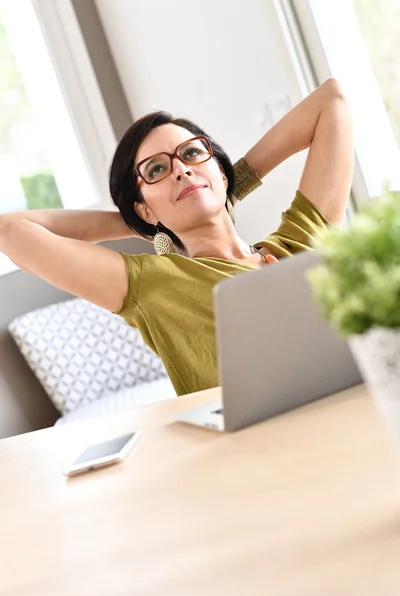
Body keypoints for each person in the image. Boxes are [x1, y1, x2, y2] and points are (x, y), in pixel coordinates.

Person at [0, 78, 353, 396]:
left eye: (192, 153)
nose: (182, 169)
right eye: (156, 169)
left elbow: (331, 101)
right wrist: (144, 223)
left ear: (220, 169)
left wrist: (230, 182)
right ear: (144, 209)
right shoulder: (153, 286)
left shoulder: (299, 243)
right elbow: (10, 231)